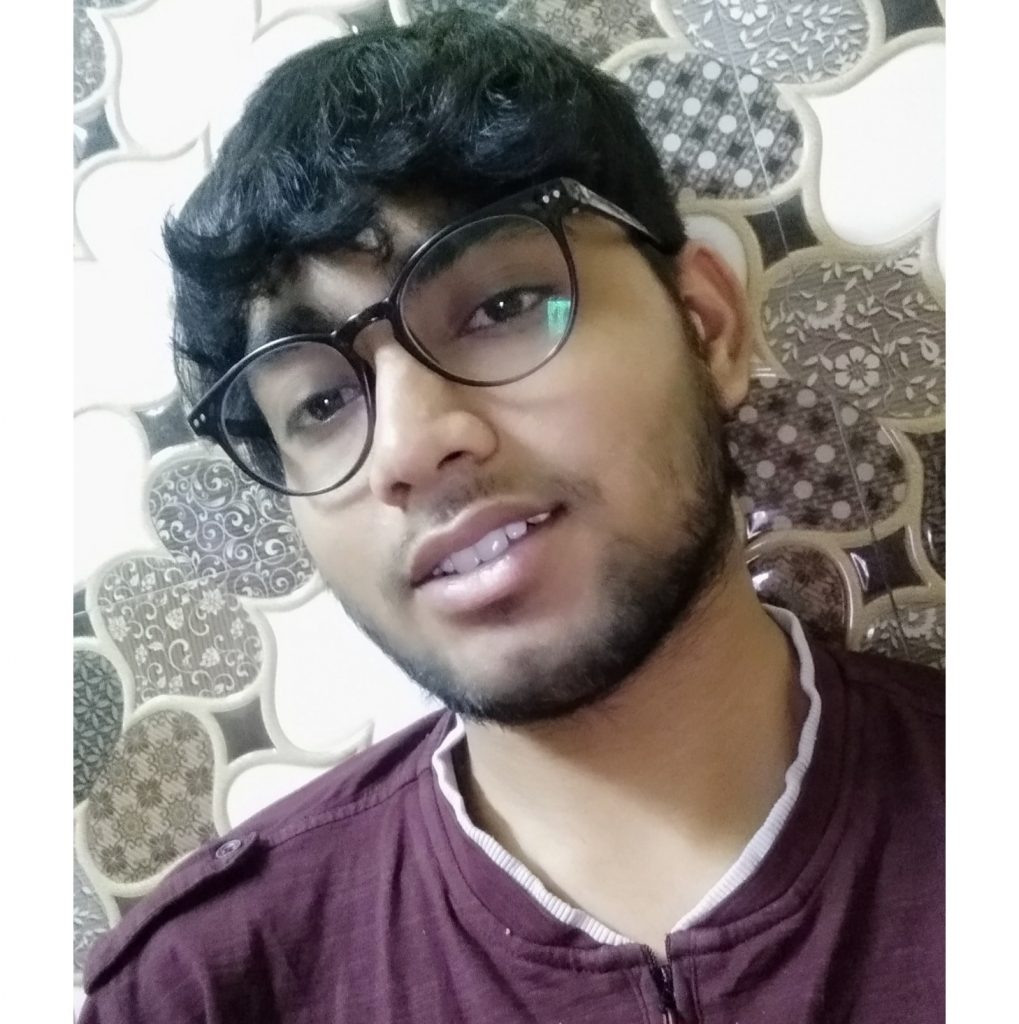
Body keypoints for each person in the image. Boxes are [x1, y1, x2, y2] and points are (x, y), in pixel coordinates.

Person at [80, 10, 943, 1023]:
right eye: (319, 402)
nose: (409, 448)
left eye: (501, 307)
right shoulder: (204, 988)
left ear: (706, 328)